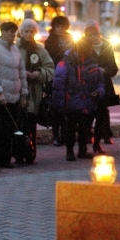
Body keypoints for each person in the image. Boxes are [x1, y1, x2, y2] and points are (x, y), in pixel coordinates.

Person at [52, 26, 104, 161]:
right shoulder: (68, 61)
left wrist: (99, 92)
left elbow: (98, 80)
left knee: (84, 127)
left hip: (86, 100)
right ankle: (70, 151)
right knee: (71, 127)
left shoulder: (90, 60)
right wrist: (61, 103)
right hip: (72, 99)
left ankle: (82, 150)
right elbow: (59, 82)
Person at [0, 22, 28, 171]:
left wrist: (24, 93)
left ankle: (5, 159)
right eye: (10, 32)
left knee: (9, 131)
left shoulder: (15, 50)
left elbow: (21, 73)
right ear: (2, 32)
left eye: (14, 32)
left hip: (14, 97)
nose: (12, 35)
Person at [17, 18, 55, 164]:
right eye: (26, 31)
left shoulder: (40, 50)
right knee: (19, 125)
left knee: (31, 124)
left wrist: (39, 74)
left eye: (32, 31)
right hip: (19, 90)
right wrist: (21, 74)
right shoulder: (15, 48)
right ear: (21, 32)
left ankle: (30, 153)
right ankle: (19, 152)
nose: (29, 34)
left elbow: (50, 67)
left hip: (35, 92)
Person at [86, 21, 118, 153]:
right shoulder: (83, 47)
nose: (93, 37)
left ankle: (101, 139)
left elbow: (114, 68)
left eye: (95, 34)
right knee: (87, 114)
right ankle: (88, 137)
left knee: (102, 113)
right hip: (89, 86)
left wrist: (105, 71)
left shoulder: (107, 46)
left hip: (104, 85)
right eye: (90, 35)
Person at [44, 16, 73, 146]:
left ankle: (66, 134)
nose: (60, 29)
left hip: (68, 76)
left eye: (62, 26)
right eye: (58, 26)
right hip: (54, 77)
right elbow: (51, 57)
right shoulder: (50, 40)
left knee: (68, 106)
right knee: (55, 106)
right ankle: (56, 135)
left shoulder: (71, 39)